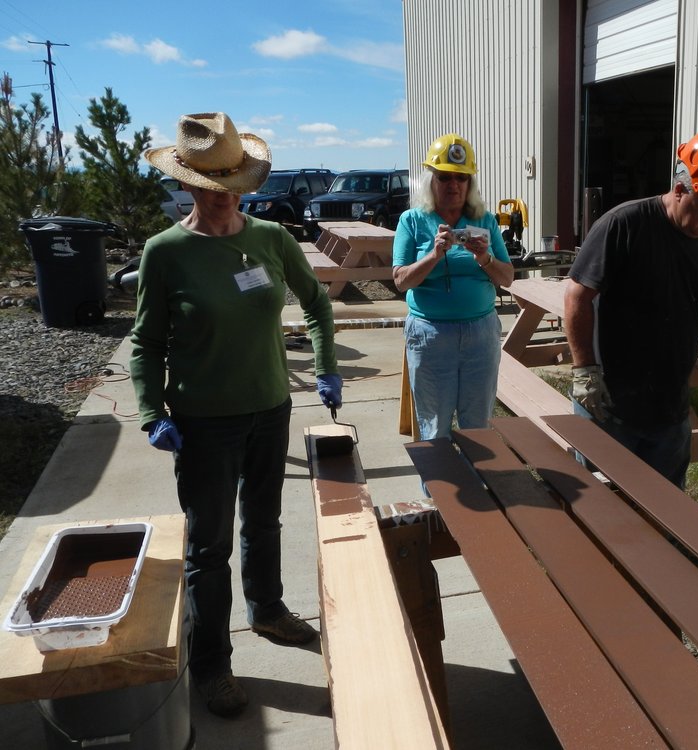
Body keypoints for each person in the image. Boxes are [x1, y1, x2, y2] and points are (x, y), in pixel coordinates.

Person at [130, 112, 342, 718]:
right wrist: (151, 412)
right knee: (208, 548)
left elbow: (316, 303)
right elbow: (146, 341)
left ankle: (269, 609)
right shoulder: (165, 253)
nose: (222, 200)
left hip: (270, 408)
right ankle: (212, 666)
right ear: (189, 185)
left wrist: (326, 366)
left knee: (265, 521)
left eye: (231, 188)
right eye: (209, 189)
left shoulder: (271, 239)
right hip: (202, 422)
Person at [563, 128, 698, 489]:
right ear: (681, 190)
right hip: (608, 405)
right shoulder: (625, 226)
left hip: (670, 411)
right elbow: (576, 296)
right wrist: (585, 370)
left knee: (666, 514)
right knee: (599, 515)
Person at [392, 133, 515, 439]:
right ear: (430, 181)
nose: (454, 185)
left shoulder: (484, 220)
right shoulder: (412, 221)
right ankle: (438, 487)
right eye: (445, 177)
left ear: (470, 184)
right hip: (430, 334)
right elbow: (400, 281)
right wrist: (434, 255)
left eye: (461, 178)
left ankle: (478, 484)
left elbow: (508, 278)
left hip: (480, 334)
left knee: (479, 424)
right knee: (433, 425)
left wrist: (484, 257)